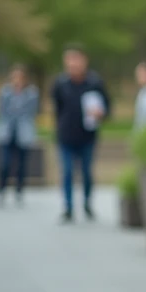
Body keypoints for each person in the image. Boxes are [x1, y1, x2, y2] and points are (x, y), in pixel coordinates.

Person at [51, 45, 111, 222]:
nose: (74, 64)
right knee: (67, 172)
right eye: (70, 60)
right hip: (66, 136)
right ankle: (68, 207)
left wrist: (101, 113)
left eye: (77, 60)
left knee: (86, 172)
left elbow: (107, 107)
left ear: (84, 61)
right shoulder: (60, 83)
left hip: (87, 136)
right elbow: (57, 109)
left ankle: (87, 203)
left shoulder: (95, 82)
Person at [0, 64, 39, 206]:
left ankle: (19, 190)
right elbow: (1, 110)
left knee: (22, 164)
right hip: (8, 130)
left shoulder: (31, 93)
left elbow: (32, 111)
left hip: (23, 131)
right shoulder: (6, 92)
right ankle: (1, 189)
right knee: (5, 163)